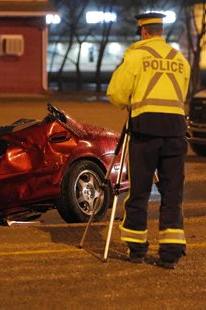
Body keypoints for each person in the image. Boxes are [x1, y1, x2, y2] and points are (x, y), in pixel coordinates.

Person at [106, 12, 190, 269]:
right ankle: (170, 254)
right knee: (172, 193)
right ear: (161, 31)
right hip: (176, 132)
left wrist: (129, 102)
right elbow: (181, 93)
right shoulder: (180, 59)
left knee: (139, 191)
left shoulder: (136, 57)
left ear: (143, 32)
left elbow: (116, 93)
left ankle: (137, 249)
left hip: (145, 131)